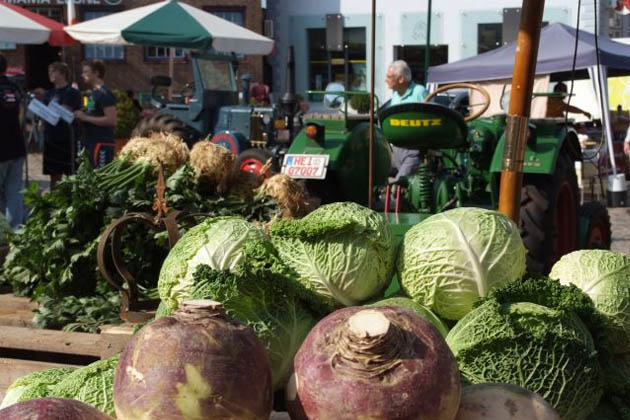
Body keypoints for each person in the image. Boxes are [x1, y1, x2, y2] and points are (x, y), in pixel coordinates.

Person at [385, 60, 428, 181]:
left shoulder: (419, 92)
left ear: (401, 79)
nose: (386, 80)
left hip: (414, 149)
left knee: (400, 184)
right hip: (397, 148)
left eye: (389, 77)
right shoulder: (395, 95)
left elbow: (430, 118)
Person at [43, 62, 82, 189]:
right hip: (51, 138)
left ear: (62, 74)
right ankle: (54, 202)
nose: (50, 75)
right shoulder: (48, 93)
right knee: (53, 175)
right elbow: (44, 112)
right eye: (49, 72)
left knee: (71, 173)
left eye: (53, 71)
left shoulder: (72, 92)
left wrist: (49, 111)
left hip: (66, 138)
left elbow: (66, 110)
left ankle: (70, 201)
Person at [74, 59, 116, 168]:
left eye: (86, 72)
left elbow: (111, 120)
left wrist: (85, 118)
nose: (83, 75)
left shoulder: (104, 93)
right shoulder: (94, 93)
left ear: (96, 73)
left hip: (101, 144)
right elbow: (89, 112)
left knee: (100, 179)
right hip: (89, 143)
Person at [0, 54, 25, 229]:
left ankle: (3, 232)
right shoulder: (15, 86)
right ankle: (16, 230)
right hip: (17, 145)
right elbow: (22, 115)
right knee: (14, 191)